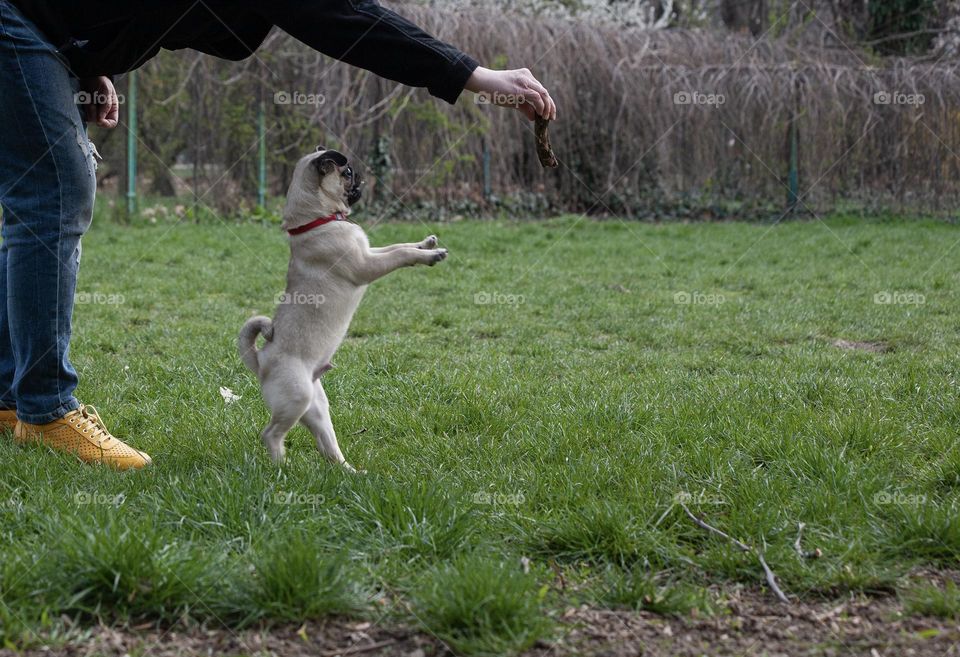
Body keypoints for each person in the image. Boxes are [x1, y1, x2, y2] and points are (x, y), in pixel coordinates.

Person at [0, 0, 557, 469]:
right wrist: (476, 76)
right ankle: (45, 411)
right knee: (54, 194)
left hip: (44, 29)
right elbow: (349, 22)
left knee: (39, 202)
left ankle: (10, 399)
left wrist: (87, 61)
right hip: (19, 19)